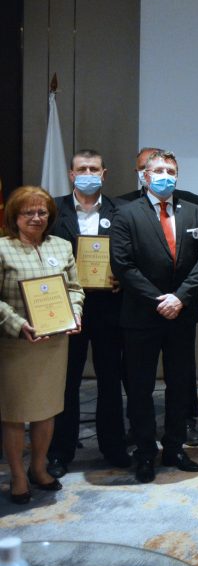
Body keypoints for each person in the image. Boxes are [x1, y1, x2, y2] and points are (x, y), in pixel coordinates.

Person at [110, 150, 198, 483]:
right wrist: (159, 299)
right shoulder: (126, 213)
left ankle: (174, 448)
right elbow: (123, 264)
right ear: (145, 176)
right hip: (142, 315)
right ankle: (144, 453)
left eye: (171, 170)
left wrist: (179, 298)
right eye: (158, 170)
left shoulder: (193, 211)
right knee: (140, 388)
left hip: (182, 314)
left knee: (180, 385)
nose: (165, 175)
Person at [47, 150, 131, 478]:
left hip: (109, 307)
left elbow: (132, 253)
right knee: (66, 381)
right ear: (71, 174)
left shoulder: (121, 211)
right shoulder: (52, 210)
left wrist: (121, 278)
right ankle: (60, 451)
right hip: (66, 308)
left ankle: (113, 446)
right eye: (81, 169)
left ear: (104, 174)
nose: (88, 174)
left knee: (110, 379)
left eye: (94, 169)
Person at [0, 186, 84, 503]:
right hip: (16, 345)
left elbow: (75, 288)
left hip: (54, 343)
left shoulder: (61, 246)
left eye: (42, 212)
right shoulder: (2, 248)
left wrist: (75, 313)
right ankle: (17, 476)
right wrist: (17, 324)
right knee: (14, 413)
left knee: (46, 410)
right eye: (28, 212)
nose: (36, 218)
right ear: (14, 216)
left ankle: (38, 467)